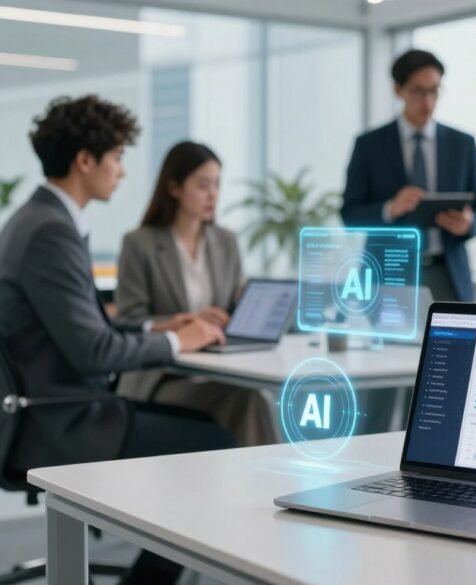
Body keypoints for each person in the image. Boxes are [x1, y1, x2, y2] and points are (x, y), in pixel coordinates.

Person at [0, 95, 234, 584]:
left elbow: (88, 328)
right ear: (85, 161)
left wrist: (160, 327)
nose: (123, 172)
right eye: (117, 158)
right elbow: (94, 351)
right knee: (213, 442)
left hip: (51, 406)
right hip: (56, 418)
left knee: (204, 427)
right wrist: (180, 344)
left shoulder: (39, 220)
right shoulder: (50, 232)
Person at [116, 141, 276, 446]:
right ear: (174, 187)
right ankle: (269, 490)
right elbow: (129, 320)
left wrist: (242, 310)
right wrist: (189, 323)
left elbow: (230, 306)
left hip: (218, 371)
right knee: (249, 401)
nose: (213, 194)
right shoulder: (140, 243)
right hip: (162, 377)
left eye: (217, 184)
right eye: (203, 185)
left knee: (254, 398)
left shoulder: (225, 241)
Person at [341, 49, 476, 303]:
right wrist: (390, 208)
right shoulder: (369, 145)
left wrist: (469, 222)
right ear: (398, 90)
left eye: (434, 90)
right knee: (390, 343)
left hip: (449, 274)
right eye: (418, 91)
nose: (428, 101)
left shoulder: (462, 144)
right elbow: (349, 214)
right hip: (389, 274)